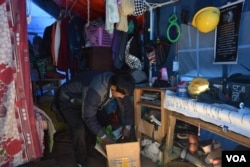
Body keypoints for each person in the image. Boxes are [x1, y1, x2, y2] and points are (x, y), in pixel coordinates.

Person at [54, 71, 135, 167]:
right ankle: (81, 161)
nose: (123, 97)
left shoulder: (119, 83)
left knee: (105, 121)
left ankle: (91, 148)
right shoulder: (97, 90)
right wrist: (104, 137)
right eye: (121, 95)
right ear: (113, 87)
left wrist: (128, 126)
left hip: (86, 101)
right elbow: (88, 117)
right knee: (79, 129)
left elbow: (127, 104)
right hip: (69, 102)